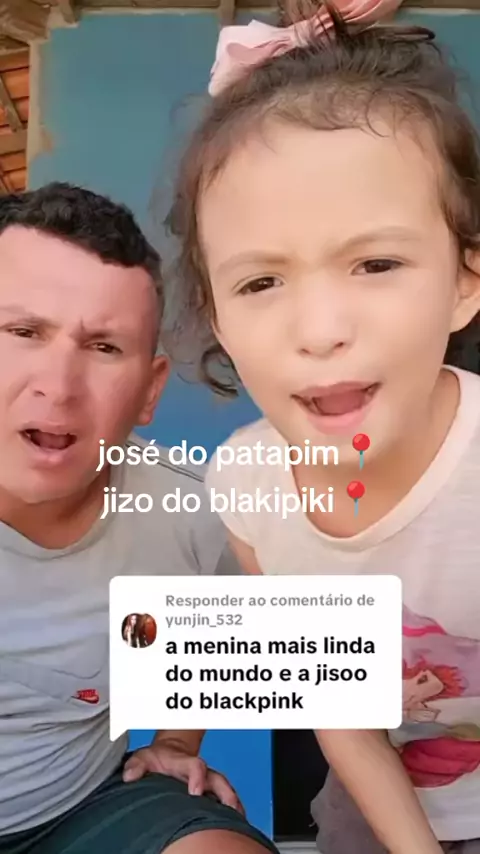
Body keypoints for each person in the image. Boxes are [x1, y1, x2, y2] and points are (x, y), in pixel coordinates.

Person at [165, 1, 480, 852]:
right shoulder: (246, 487)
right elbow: (340, 713)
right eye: (260, 282)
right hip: (374, 807)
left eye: (376, 263)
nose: (320, 330)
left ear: (464, 281)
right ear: (218, 317)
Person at [0, 183, 279, 854]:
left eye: (103, 348)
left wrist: (177, 741)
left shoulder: (196, 509)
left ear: (149, 391)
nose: (58, 386)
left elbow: (249, 630)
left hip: (76, 811)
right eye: (23, 332)